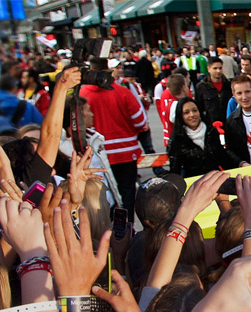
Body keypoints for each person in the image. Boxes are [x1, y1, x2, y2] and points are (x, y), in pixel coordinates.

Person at [80, 58, 146, 220]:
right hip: (125, 152)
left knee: (103, 196)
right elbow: (141, 122)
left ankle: (110, 231)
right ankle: (127, 229)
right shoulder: (122, 92)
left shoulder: (82, 96)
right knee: (128, 193)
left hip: (97, 156)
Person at [168, 97, 237, 178]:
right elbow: (175, 170)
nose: (192, 115)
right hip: (193, 185)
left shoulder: (211, 131)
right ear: (180, 116)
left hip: (215, 181)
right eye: (186, 112)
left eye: (194, 110)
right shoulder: (177, 139)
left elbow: (223, 159)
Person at [195, 56, 233, 125]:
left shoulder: (229, 85)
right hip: (211, 125)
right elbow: (199, 108)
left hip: (228, 124)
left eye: (220, 68)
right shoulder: (201, 87)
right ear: (208, 69)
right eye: (215, 68)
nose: (218, 71)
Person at [160, 73, 189, 148]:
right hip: (180, 144)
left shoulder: (173, 103)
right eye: (186, 85)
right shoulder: (177, 105)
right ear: (183, 87)